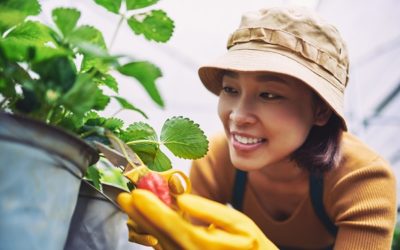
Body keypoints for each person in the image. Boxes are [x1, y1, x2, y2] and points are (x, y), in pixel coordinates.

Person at [117, 6, 397, 250]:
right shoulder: (216, 160)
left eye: (269, 95)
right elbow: (190, 236)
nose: (238, 116)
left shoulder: (363, 180)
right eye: (230, 88)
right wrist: (169, 235)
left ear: (321, 110)